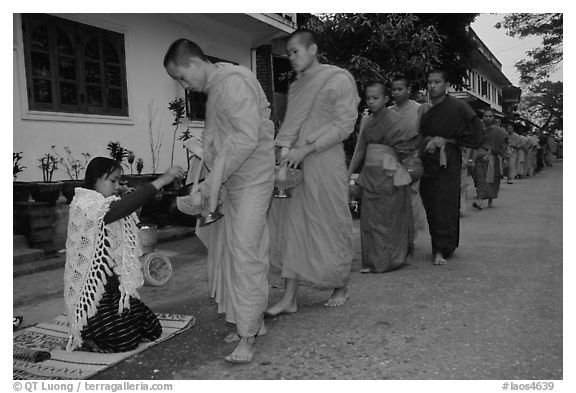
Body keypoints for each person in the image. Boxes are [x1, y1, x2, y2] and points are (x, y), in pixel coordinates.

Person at [164, 39, 276, 364]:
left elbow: (245, 137)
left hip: (252, 178)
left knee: (245, 252)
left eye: (182, 77)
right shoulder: (219, 85)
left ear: (194, 63)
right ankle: (247, 321)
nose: (185, 86)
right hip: (232, 178)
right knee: (228, 251)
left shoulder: (234, 83)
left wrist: (212, 182)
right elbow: (218, 139)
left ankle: (248, 335)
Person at [266, 30, 359, 315]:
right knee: (292, 225)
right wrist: (281, 152)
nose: (291, 58)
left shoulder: (338, 79)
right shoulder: (297, 86)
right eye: (289, 53)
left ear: (313, 49)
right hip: (294, 163)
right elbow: (290, 125)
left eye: (296, 51)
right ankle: (289, 297)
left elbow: (344, 124)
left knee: (330, 221)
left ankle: (340, 283)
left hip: (324, 160)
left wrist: (306, 150)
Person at [64, 157, 184, 352]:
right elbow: (119, 209)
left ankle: (102, 329)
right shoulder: (86, 204)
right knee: (124, 340)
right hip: (93, 294)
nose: (116, 186)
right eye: (112, 181)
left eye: (118, 181)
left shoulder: (105, 203)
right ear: (95, 179)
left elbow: (126, 225)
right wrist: (162, 180)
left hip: (113, 290)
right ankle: (87, 334)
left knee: (151, 328)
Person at [347, 81, 420, 273]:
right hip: (370, 175)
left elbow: (409, 150)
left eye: (375, 98)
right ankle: (370, 261)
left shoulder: (397, 120)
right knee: (369, 219)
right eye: (368, 98)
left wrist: (400, 168)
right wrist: (348, 174)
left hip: (389, 174)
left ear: (386, 98)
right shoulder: (366, 121)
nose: (370, 102)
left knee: (387, 219)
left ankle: (388, 260)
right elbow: (360, 149)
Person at [418, 69, 484, 265]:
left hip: (449, 159)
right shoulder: (425, 109)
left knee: (445, 202)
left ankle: (441, 248)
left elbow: (477, 132)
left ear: (446, 85)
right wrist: (426, 146)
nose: (432, 86)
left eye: (437, 82)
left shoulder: (458, 107)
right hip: (429, 157)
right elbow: (420, 135)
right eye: (429, 82)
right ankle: (439, 242)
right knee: (430, 200)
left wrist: (452, 140)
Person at [389, 76, 428, 236]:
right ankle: (398, 233)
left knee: (411, 194)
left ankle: (410, 233)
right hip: (391, 158)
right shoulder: (389, 112)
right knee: (393, 196)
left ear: (409, 90)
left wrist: (416, 154)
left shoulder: (419, 109)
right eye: (393, 89)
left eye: (400, 89)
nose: (396, 92)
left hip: (412, 158)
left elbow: (424, 134)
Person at [471, 109, 509, 210]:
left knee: (492, 180)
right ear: (482, 118)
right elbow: (472, 145)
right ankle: (480, 201)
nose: (488, 118)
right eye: (486, 116)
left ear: (493, 118)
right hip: (480, 157)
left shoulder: (499, 131)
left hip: (492, 158)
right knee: (480, 180)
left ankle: (490, 199)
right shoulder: (478, 130)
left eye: (490, 116)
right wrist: (471, 159)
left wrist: (505, 157)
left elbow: (504, 145)